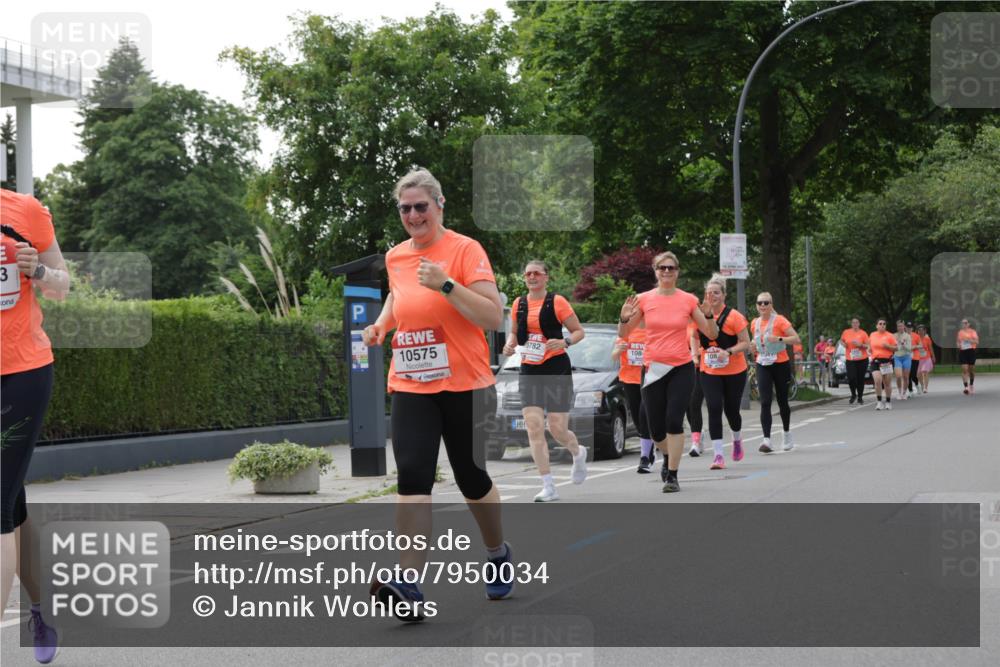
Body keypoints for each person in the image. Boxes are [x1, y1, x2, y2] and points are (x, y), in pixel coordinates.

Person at [363, 169, 513, 620]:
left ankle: (497, 552)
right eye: (405, 208)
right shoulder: (395, 257)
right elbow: (397, 297)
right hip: (411, 382)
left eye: (420, 206)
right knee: (412, 474)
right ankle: (408, 582)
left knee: (471, 478)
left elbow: (492, 317)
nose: (413, 215)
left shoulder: (466, 250)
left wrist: (446, 284)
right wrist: (381, 325)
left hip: (465, 383)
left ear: (439, 205)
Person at [2, 189, 70, 663]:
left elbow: (62, 285)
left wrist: (37, 270)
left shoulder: (23, 210)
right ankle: (40, 611)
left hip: (22, 374)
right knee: (13, 505)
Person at [618, 251, 718, 493]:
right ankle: (666, 455)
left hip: (681, 368)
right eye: (662, 268)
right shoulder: (643, 299)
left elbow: (712, 334)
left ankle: (672, 475)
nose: (666, 272)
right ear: (655, 271)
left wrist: (707, 313)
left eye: (671, 268)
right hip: (653, 368)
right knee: (655, 429)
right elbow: (624, 334)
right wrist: (623, 318)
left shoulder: (688, 300)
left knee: (674, 420)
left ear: (677, 271)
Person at [502, 260, 587, 501]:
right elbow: (514, 332)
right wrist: (509, 345)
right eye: (528, 273)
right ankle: (548, 485)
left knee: (557, 428)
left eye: (537, 273)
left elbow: (579, 331)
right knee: (534, 427)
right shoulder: (519, 303)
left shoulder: (557, 302)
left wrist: (565, 342)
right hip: (530, 368)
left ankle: (577, 452)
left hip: (556, 368)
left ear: (546, 277)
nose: (532, 277)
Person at [696, 275, 750, 471]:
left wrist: (727, 352)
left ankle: (736, 439)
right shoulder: (699, 316)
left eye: (716, 293)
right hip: (709, 370)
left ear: (724, 295)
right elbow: (693, 337)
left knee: (732, 410)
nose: (712, 296)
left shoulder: (735, 317)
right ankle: (718, 455)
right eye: (709, 293)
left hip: (735, 370)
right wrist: (695, 354)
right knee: (713, 407)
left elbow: (746, 342)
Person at [750, 293, 800, 453]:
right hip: (762, 364)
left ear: (771, 304)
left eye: (766, 303)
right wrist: (752, 346)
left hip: (780, 364)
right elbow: (755, 341)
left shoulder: (780, 320)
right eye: (760, 303)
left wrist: (778, 339)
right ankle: (767, 440)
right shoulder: (754, 323)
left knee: (782, 400)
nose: (763, 306)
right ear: (756, 305)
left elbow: (796, 339)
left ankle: (786, 433)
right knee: (765, 401)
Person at [613, 325, 654, 473]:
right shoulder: (626, 331)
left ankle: (644, 458)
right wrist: (620, 349)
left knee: (644, 415)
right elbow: (613, 356)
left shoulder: (652, 331)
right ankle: (649, 448)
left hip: (649, 379)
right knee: (637, 417)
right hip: (629, 380)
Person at [685, 319, 705, 460]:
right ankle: (697, 433)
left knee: (694, 403)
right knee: (687, 406)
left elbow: (711, 345)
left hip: (700, 369)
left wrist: (697, 352)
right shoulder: (678, 324)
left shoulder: (701, 324)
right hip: (682, 369)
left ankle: (695, 442)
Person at [869, 318, 898, 410]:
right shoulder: (872, 335)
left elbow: (896, 348)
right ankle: (879, 402)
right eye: (880, 324)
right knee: (877, 381)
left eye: (884, 324)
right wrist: (868, 350)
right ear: (877, 326)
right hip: (875, 361)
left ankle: (888, 402)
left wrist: (888, 346)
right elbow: (869, 346)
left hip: (887, 361)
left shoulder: (890, 335)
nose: (882, 325)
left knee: (887, 383)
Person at [839, 318, 870, 404]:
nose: (855, 324)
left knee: (860, 379)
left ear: (859, 324)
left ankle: (860, 397)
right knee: (851, 378)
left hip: (862, 359)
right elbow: (841, 340)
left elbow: (868, 346)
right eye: (853, 323)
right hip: (850, 359)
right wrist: (843, 344)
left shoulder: (863, 333)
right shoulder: (846, 332)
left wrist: (860, 345)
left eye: (856, 322)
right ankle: (853, 394)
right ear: (851, 324)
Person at [956, 318, 979, 395]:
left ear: (969, 324)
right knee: (964, 369)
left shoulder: (973, 332)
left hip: (971, 351)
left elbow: (977, 341)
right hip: (963, 352)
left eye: (965, 323)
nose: (964, 324)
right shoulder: (960, 332)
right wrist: (958, 345)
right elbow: (958, 341)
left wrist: (969, 340)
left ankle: (971, 385)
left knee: (971, 371)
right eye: (962, 323)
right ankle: (966, 387)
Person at [893, 319, 913, 400]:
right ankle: (899, 391)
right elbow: (892, 347)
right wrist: (898, 345)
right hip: (897, 357)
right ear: (897, 327)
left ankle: (904, 393)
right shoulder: (894, 336)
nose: (900, 327)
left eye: (901, 326)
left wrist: (903, 344)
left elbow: (909, 349)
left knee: (905, 376)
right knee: (898, 376)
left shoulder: (907, 336)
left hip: (906, 357)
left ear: (904, 326)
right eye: (898, 326)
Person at [917, 324, 936, 394]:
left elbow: (930, 348)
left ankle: (925, 387)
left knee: (925, 372)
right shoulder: (916, 338)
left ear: (925, 331)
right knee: (918, 374)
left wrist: (933, 357)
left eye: (922, 330)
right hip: (918, 358)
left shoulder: (927, 339)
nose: (921, 332)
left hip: (927, 358)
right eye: (919, 330)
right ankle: (922, 385)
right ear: (917, 331)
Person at [908, 322, 922, 396]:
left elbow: (921, 345)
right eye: (907, 327)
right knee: (908, 375)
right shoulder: (903, 336)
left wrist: (914, 347)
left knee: (913, 374)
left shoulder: (916, 336)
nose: (908, 329)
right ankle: (910, 391)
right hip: (906, 357)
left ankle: (917, 385)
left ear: (912, 328)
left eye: (910, 327)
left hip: (915, 357)